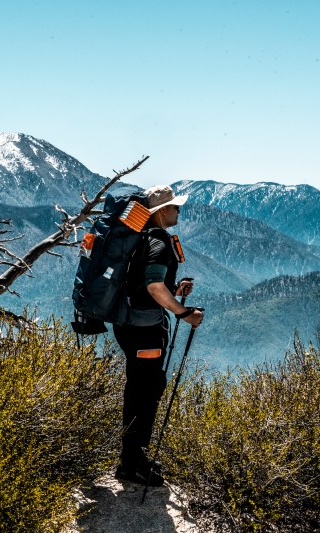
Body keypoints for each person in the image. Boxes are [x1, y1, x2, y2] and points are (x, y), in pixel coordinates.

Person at [113, 184, 204, 486]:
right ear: (162, 211)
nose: (179, 211)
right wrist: (184, 312)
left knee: (141, 386)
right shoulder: (159, 243)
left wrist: (175, 291)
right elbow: (153, 287)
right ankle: (131, 463)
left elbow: (146, 285)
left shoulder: (140, 239)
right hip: (144, 330)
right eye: (176, 207)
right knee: (144, 390)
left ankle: (132, 456)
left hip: (130, 323)